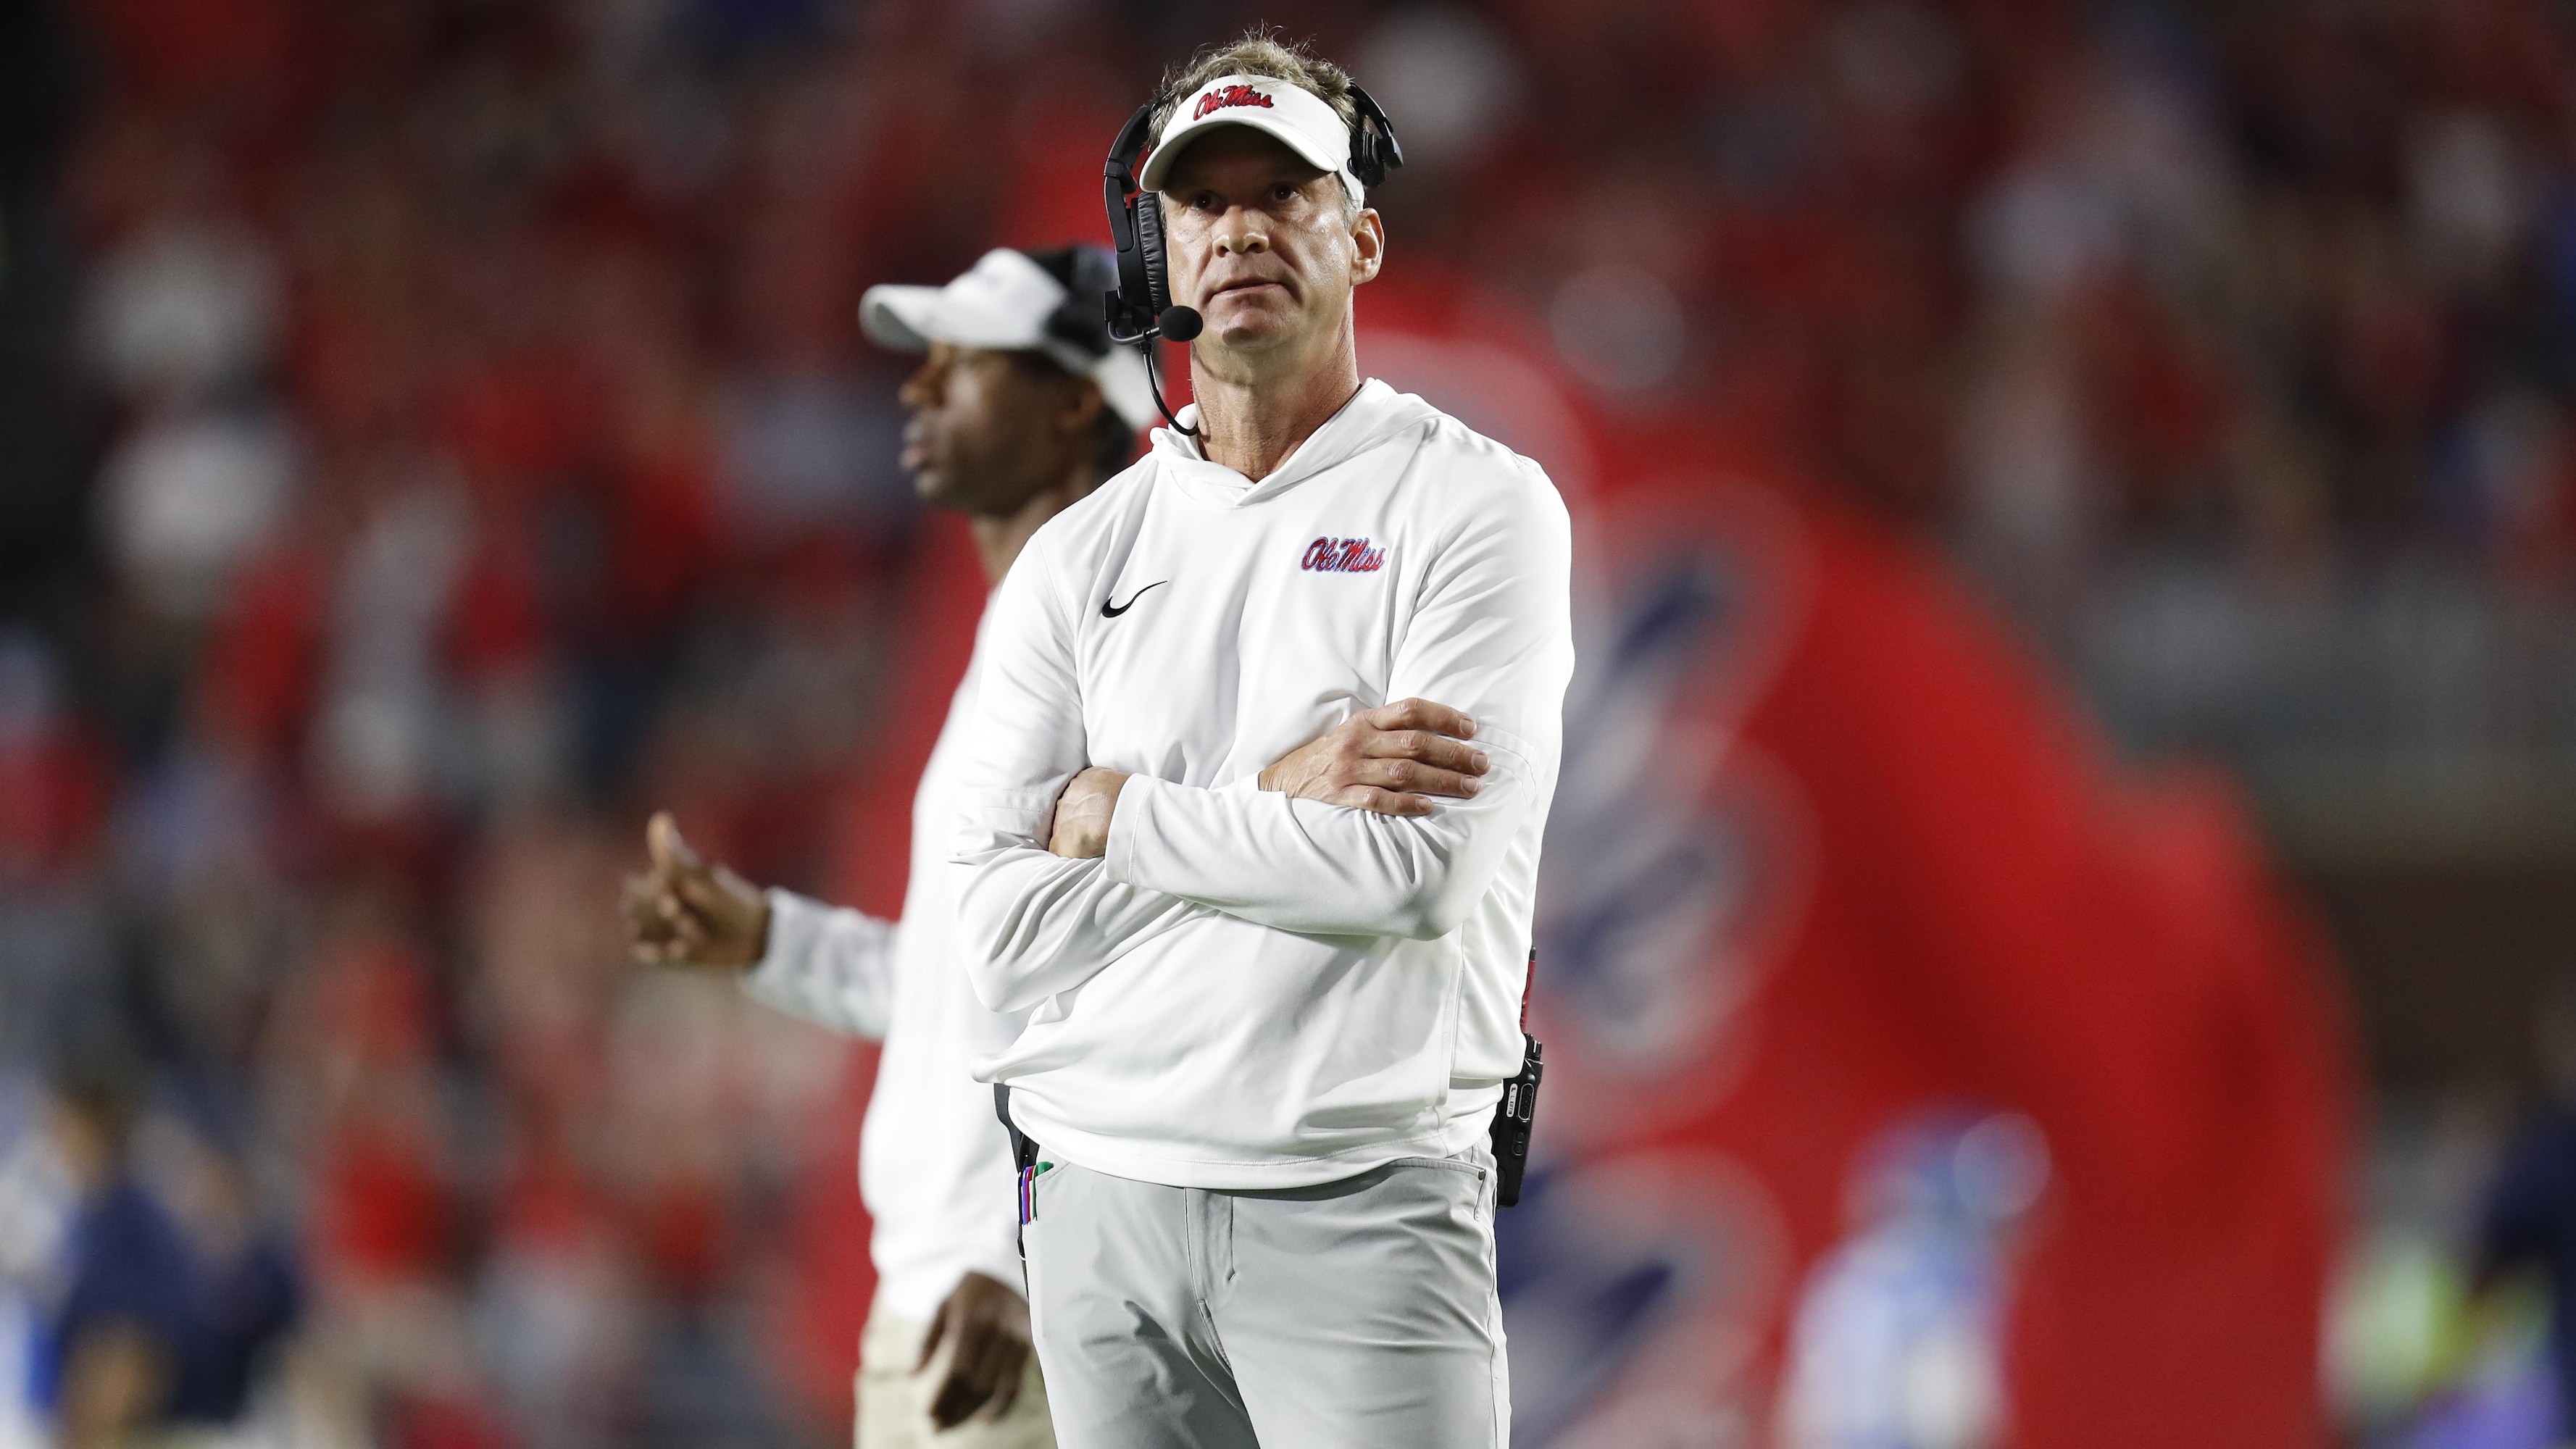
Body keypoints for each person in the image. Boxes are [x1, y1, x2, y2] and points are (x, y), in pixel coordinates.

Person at [948, 33, 1573, 1449]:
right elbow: (993, 936)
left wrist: (1112, 815)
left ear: (1361, 239)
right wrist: (1276, 794)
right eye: (1201, 200)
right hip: (1093, 1206)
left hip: (1362, 1202)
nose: (1239, 229)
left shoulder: (1475, 508)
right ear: (1155, 252)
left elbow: (1413, 877)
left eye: (1283, 192)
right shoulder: (1073, 560)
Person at [621, 244, 1154, 1449]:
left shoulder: (1117, 663)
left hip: (1014, 1316)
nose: (921, 387)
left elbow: (1153, 1002)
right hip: (939, 1305)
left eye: (967, 361)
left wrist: (1020, 1256)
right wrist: (770, 942)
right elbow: (962, 989)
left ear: (1076, 403)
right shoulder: (1025, 648)